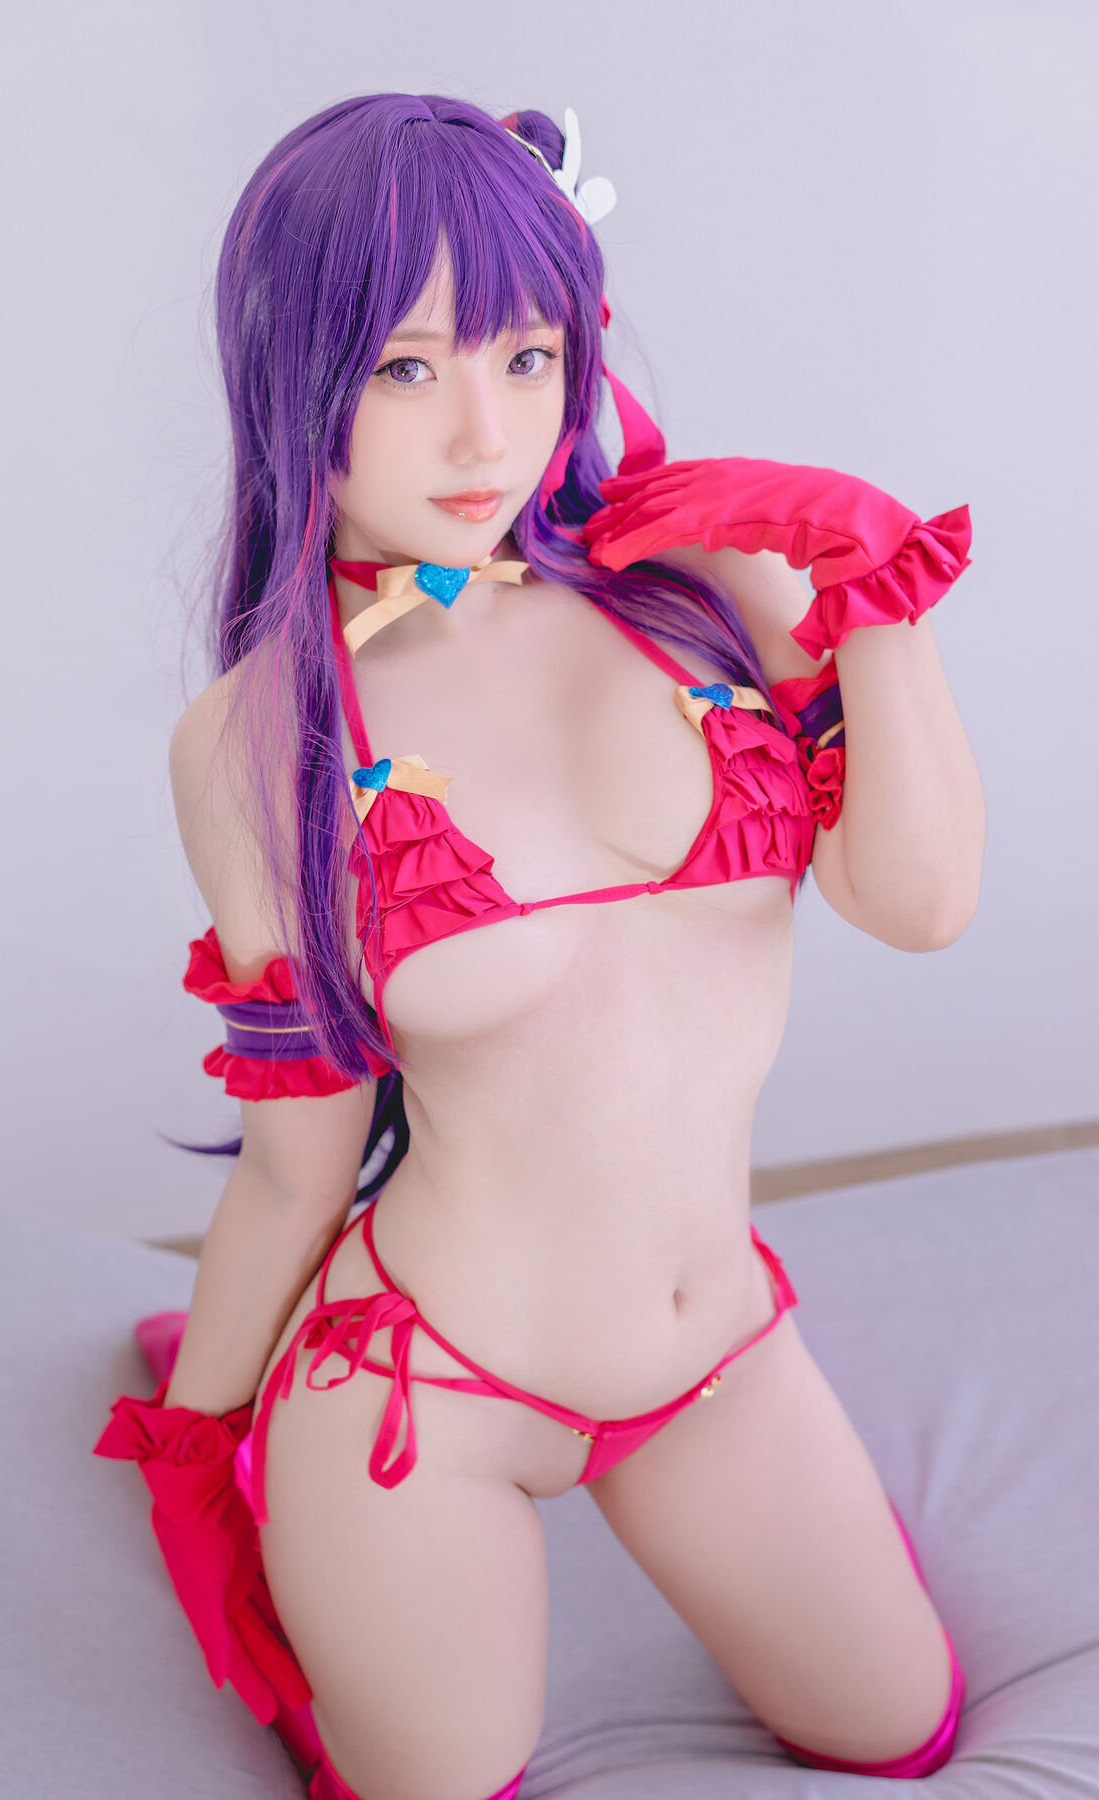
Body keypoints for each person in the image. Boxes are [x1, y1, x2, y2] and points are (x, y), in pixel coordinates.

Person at [95, 92, 984, 1800]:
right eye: (406, 367)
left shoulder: (700, 591)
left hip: (718, 1351)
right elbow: (297, 1168)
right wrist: (193, 1449)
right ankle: (280, 1455)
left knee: (901, 1731)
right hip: (425, 1389)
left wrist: (873, 590)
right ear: (298, 384)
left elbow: (919, 902)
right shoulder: (262, 732)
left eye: (526, 355)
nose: (483, 435)